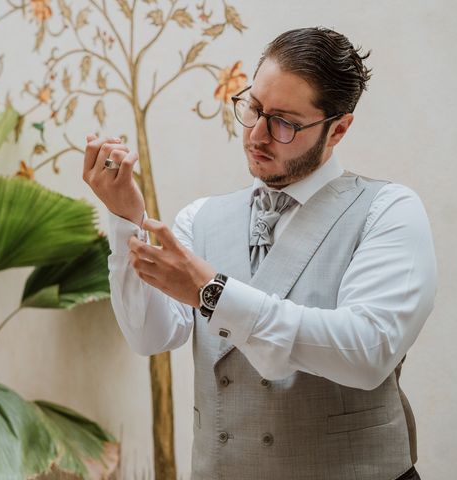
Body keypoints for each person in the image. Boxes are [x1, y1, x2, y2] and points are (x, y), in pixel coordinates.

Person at [83, 26, 436, 480]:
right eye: (253, 108)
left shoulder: (388, 211)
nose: (257, 134)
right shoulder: (201, 218)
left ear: (338, 129)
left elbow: (367, 352)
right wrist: (125, 220)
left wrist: (213, 293)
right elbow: (149, 337)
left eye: (285, 122)